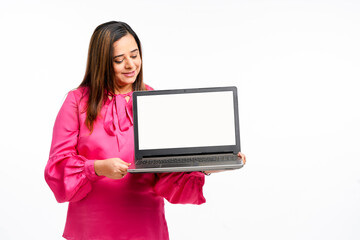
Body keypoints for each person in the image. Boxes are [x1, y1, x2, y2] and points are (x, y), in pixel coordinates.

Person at [44, 21, 246, 240]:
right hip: (91, 227)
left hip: (145, 224)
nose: (131, 65)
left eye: (135, 55)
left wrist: (208, 165)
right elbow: (58, 168)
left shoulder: (151, 99)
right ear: (100, 62)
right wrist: (99, 167)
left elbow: (167, 172)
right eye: (119, 60)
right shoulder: (76, 101)